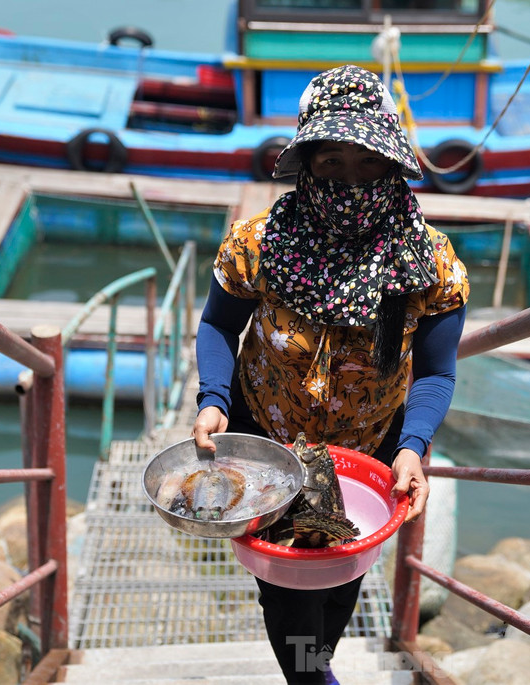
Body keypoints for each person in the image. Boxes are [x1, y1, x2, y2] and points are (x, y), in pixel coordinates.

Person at [192, 64, 469, 685]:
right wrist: (213, 399)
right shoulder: (257, 245)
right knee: (287, 591)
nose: (351, 182)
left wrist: (413, 446)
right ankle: (313, 679)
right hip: (267, 439)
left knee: (343, 573)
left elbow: (435, 371)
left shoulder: (432, 265)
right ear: (307, 165)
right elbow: (217, 327)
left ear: (393, 165)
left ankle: (317, 668)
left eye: (368, 163)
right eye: (332, 164)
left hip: (367, 450)